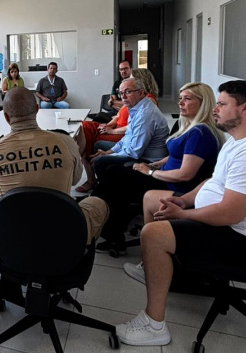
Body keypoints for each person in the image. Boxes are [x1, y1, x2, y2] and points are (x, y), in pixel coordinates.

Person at [116, 80, 246, 346]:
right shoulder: (241, 140)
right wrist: (184, 201)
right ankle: (166, 273)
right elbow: (214, 181)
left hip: (244, 241)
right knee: (156, 203)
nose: (215, 109)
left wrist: (183, 215)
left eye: (222, 104)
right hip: (231, 226)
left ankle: (154, 326)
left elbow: (229, 214)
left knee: (153, 234)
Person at [94, 82, 226, 254]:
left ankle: (108, 233)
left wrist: (150, 172)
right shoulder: (191, 127)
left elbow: (185, 175)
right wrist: (153, 165)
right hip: (164, 176)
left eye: (187, 99)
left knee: (114, 176)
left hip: (174, 187)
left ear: (203, 103)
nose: (180, 103)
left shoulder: (200, 133)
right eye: (180, 98)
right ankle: (105, 226)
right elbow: (176, 156)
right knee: (113, 173)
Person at [0, 87, 108, 247]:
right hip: (62, 229)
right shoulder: (65, 142)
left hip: (17, 234)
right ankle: (79, 249)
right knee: (98, 204)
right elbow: (75, 180)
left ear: (6, 116)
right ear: (37, 109)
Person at [90, 77, 169, 182]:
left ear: (140, 92)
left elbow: (134, 152)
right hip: (137, 150)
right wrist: (108, 152)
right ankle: (108, 182)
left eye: (128, 92)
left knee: (99, 161)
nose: (123, 97)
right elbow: (127, 137)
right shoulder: (135, 107)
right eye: (121, 93)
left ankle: (107, 188)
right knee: (99, 145)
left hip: (146, 159)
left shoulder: (145, 114)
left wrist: (108, 154)